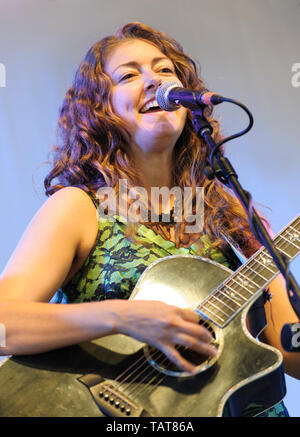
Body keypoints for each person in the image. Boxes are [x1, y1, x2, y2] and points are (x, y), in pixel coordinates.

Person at [0, 22, 298, 417]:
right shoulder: (80, 207)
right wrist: (122, 316)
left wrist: (274, 270)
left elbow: (290, 357)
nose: (154, 81)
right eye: (128, 75)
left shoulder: (230, 214)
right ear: (100, 109)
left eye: (164, 70)